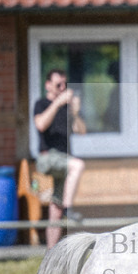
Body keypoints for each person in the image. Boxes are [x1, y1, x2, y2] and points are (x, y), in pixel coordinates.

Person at [33, 69, 87, 248]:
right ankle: (69, 209)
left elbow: (81, 131)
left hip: (64, 161)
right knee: (78, 166)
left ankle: (50, 255)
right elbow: (40, 124)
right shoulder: (41, 104)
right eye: (58, 85)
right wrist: (57, 103)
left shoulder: (66, 108)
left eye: (65, 84)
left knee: (55, 212)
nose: (63, 88)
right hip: (48, 158)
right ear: (48, 85)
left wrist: (76, 112)